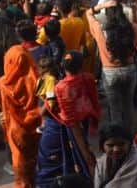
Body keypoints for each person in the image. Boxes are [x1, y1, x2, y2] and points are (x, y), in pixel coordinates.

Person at [38, 51, 98, 185]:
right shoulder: (88, 78)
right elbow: (94, 100)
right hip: (84, 121)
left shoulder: (60, 87)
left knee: (79, 158)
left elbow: (66, 118)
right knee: (82, 157)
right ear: (81, 65)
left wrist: (47, 102)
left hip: (69, 128)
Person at [86, 0, 137, 131]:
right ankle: (131, 135)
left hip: (110, 71)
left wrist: (101, 6)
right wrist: (134, 12)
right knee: (128, 104)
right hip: (129, 68)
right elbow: (136, 40)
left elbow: (88, 14)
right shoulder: (131, 27)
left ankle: (118, 136)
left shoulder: (99, 28)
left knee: (114, 108)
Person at [0, 21, 42, 187]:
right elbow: (46, 100)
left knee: (20, 161)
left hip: (15, 129)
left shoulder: (2, 83)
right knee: (35, 160)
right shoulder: (37, 78)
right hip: (35, 124)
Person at [94, 123, 137, 188]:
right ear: (102, 146)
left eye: (121, 144)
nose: (116, 149)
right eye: (110, 145)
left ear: (130, 144)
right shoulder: (101, 163)